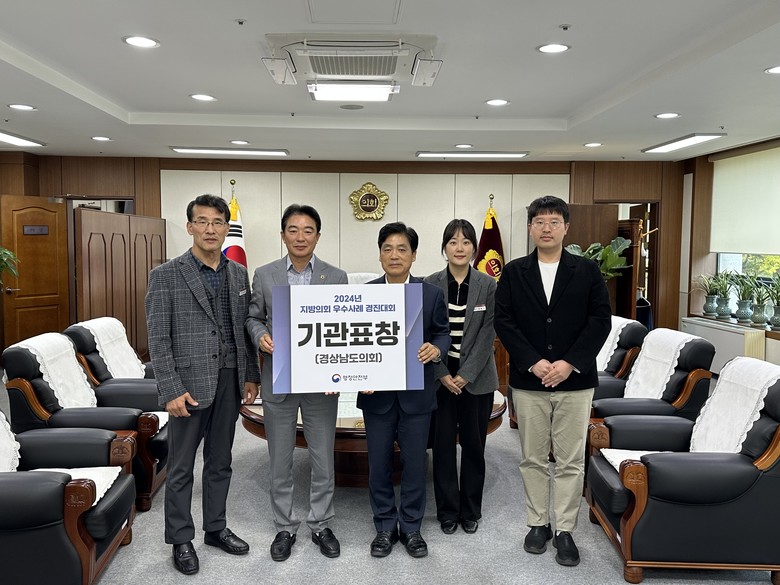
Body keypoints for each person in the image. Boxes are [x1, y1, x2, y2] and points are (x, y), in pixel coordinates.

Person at [145, 194, 260, 575]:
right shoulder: (166, 275)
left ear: (227, 228)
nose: (210, 229)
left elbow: (243, 330)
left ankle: (215, 528)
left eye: (217, 222)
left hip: (230, 378)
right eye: (203, 221)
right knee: (181, 467)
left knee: (221, 460)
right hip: (188, 384)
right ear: (190, 226)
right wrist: (170, 389)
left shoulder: (238, 273)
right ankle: (180, 538)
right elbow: (158, 339)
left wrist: (251, 374)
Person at [494, 196, 610, 567]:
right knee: (532, 457)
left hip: (575, 382)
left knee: (571, 460)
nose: (547, 228)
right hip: (529, 382)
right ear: (530, 228)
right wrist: (533, 362)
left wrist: (570, 363)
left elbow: (600, 321)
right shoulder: (514, 272)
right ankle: (537, 523)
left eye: (554, 222)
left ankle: (565, 530)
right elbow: (504, 321)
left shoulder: (587, 270)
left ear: (566, 228)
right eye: (540, 222)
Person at [245, 204, 348, 562]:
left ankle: (321, 523)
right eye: (293, 229)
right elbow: (253, 317)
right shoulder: (265, 274)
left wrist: (340, 370)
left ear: (318, 236)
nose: (300, 237)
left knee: (323, 459)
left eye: (308, 230)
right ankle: (285, 526)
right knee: (280, 459)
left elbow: (343, 327)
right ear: (283, 235)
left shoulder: (336, 277)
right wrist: (260, 336)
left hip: (320, 381)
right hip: (280, 377)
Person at [357, 222, 450, 559]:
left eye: (401, 249)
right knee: (378, 464)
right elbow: (354, 341)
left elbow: (442, 333)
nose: (394, 255)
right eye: (388, 249)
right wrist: (359, 373)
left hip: (416, 396)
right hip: (377, 397)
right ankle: (384, 526)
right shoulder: (364, 293)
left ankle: (411, 527)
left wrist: (435, 349)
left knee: (414, 465)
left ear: (413, 255)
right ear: (380, 255)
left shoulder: (430, 294)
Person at [424, 219, 498, 536]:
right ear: (444, 247)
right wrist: (442, 373)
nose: (459, 247)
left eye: (466, 242)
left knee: (473, 446)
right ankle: (447, 511)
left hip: (477, 380)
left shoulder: (488, 285)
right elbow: (425, 333)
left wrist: (465, 375)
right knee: (442, 447)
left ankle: (470, 510)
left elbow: (488, 333)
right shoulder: (429, 284)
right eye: (453, 242)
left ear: (474, 248)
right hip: (439, 379)